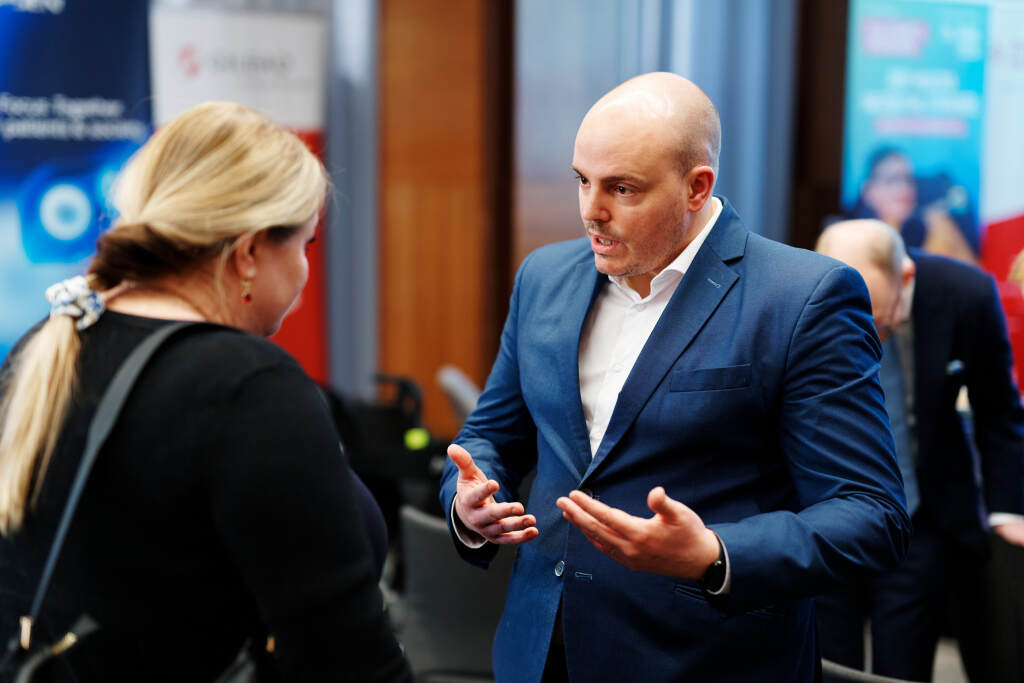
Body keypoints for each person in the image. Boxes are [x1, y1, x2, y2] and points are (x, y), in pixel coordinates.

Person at [439, 72, 910, 683]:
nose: (591, 211)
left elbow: (871, 514)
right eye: (582, 180)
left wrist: (713, 553)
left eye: (622, 188)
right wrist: (468, 502)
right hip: (539, 652)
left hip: (704, 659)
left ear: (696, 187)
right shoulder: (544, 277)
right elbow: (489, 434)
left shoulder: (802, 297)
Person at [0, 102, 412, 682]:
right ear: (250, 252)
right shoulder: (249, 387)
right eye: (305, 244)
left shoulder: (48, 343)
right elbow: (351, 663)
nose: (303, 269)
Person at [815, 219, 1024, 681]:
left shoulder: (966, 294)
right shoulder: (804, 292)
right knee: (829, 661)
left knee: (903, 663)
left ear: (905, 277)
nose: (863, 333)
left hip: (921, 513)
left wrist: (1007, 511)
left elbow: (999, 411)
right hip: (826, 514)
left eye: (874, 319)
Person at [852, 147, 977, 266]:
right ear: (868, 190)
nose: (904, 189)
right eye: (892, 180)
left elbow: (976, 276)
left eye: (908, 180)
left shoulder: (934, 226)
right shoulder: (857, 243)